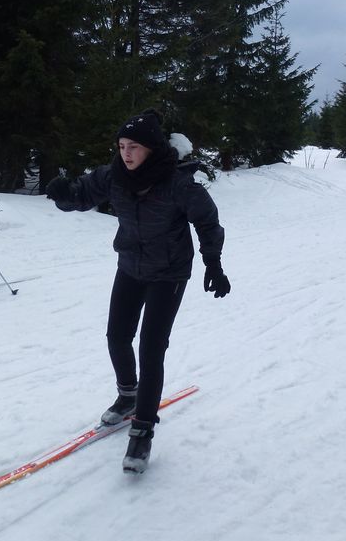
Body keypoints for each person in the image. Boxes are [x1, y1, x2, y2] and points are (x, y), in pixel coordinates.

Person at [45, 109, 231, 474]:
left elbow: (208, 222)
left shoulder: (177, 183)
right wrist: (63, 195)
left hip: (169, 273)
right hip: (130, 265)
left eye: (134, 147)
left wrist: (213, 264)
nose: (126, 153)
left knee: (151, 348)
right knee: (117, 337)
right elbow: (82, 195)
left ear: (151, 148)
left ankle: (142, 430)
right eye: (121, 146)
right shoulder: (114, 176)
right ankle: (127, 395)